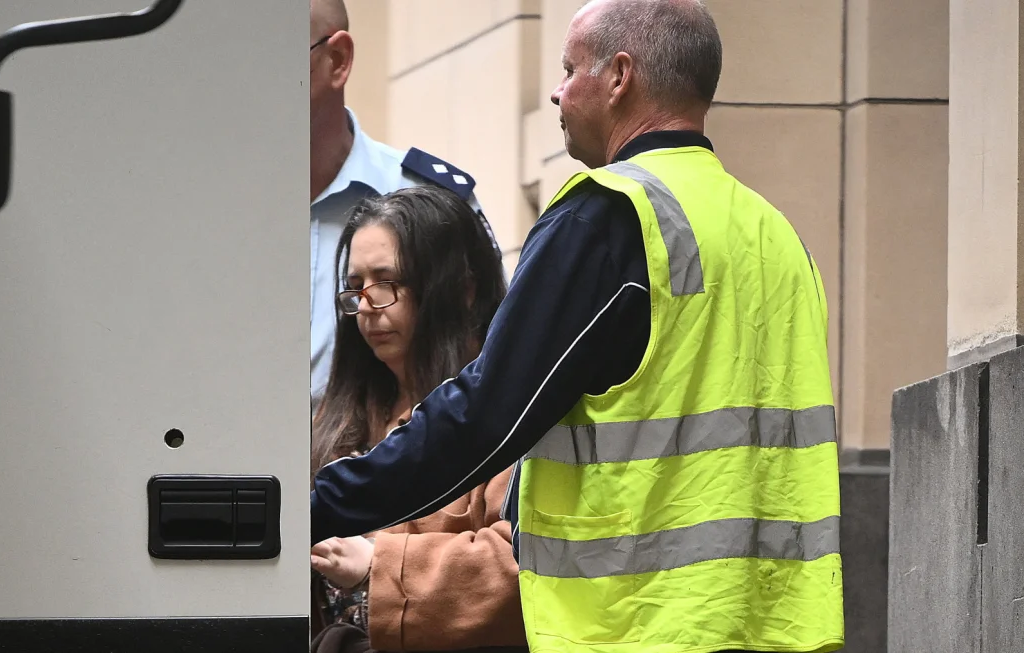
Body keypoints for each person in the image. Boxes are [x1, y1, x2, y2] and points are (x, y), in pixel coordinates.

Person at [309, 1, 845, 652]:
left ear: (619, 76)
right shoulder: (779, 238)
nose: (557, 92)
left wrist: (322, 504)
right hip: (776, 628)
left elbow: (487, 414)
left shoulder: (606, 217)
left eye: (568, 69)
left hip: (639, 627)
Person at [308, 186, 527, 653]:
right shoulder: (337, 415)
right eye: (356, 287)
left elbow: (525, 562)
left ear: (464, 290)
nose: (367, 306)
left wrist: (379, 567)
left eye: (386, 283)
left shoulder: (512, 416)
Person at [309, 0, 500, 411]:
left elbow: (490, 355)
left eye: (386, 282)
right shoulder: (207, 210)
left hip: (419, 443)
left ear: (336, 59)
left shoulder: (433, 200)